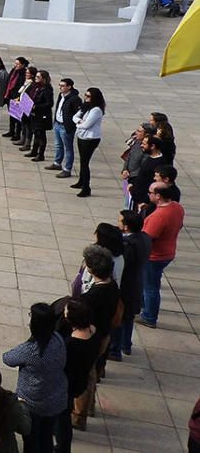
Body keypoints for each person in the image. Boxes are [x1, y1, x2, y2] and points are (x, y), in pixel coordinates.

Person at [2, 303, 67, 453]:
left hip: (32, 402)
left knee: (31, 439)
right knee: (46, 437)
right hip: (55, 398)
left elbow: (8, 358)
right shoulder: (58, 339)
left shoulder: (31, 350)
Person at [74, 245, 119, 430]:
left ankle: (79, 415)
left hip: (91, 337)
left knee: (84, 376)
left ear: (92, 270)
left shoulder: (92, 296)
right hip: (104, 334)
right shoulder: (112, 285)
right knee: (91, 372)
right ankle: (88, 408)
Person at [54, 298, 100, 453]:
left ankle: (62, 448)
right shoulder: (93, 331)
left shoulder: (71, 345)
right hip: (81, 379)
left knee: (63, 418)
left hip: (68, 384)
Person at [137, 184, 185, 328]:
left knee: (150, 287)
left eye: (150, 192)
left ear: (158, 196)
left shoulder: (159, 216)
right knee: (151, 284)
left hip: (154, 256)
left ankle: (149, 317)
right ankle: (144, 307)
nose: (148, 194)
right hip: (168, 252)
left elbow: (147, 238)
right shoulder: (176, 207)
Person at [109, 210, 151, 360]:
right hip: (136, 283)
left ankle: (115, 349)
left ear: (126, 227)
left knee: (119, 317)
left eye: (120, 221)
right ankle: (126, 344)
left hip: (126, 286)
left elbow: (123, 266)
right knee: (128, 317)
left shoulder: (128, 246)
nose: (117, 222)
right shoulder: (144, 238)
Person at [71, 87, 104, 197]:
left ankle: (86, 187)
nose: (85, 98)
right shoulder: (86, 107)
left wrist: (79, 124)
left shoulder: (96, 110)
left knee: (85, 163)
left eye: (88, 96)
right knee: (82, 161)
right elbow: (75, 117)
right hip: (82, 136)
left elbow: (87, 125)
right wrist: (80, 121)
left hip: (90, 139)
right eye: (85, 95)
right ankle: (81, 181)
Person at [47, 78, 81, 177]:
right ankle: (57, 163)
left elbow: (78, 113)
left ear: (69, 87)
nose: (60, 87)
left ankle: (67, 169)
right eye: (60, 85)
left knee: (68, 148)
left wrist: (72, 124)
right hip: (58, 123)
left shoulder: (75, 99)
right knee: (58, 145)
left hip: (66, 126)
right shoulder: (61, 95)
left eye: (63, 86)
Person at [129, 135, 165, 208]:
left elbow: (153, 182)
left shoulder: (160, 163)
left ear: (152, 146)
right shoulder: (149, 157)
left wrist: (146, 200)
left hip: (144, 201)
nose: (141, 145)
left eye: (144, 144)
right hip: (137, 197)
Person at [27, 69, 54, 162]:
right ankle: (34, 151)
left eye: (38, 77)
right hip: (35, 114)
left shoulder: (47, 90)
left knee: (41, 135)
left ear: (44, 79)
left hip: (42, 116)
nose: (36, 78)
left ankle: (41, 154)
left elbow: (49, 104)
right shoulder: (37, 87)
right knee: (36, 133)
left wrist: (36, 106)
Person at [1, 57, 29, 141]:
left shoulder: (24, 73)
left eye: (17, 64)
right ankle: (11, 131)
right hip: (10, 95)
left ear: (23, 65)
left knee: (17, 116)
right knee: (12, 114)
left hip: (17, 97)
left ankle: (17, 133)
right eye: (15, 63)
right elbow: (9, 81)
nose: (15, 65)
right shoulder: (14, 71)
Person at [13, 66, 39, 150]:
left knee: (28, 126)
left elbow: (29, 95)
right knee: (23, 124)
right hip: (22, 104)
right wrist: (18, 99)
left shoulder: (32, 84)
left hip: (27, 106)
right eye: (26, 73)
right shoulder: (26, 82)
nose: (26, 74)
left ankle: (27, 143)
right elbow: (22, 92)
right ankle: (22, 139)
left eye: (28, 73)